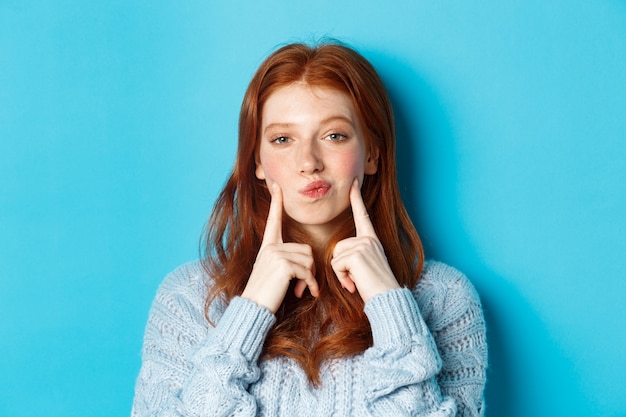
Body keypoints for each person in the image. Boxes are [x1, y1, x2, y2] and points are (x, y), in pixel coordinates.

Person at [131, 41, 487, 417]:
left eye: (334, 136)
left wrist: (391, 308)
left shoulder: (444, 299)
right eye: (283, 139)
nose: (308, 162)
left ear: (372, 154)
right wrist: (249, 312)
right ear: (258, 162)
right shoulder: (189, 298)